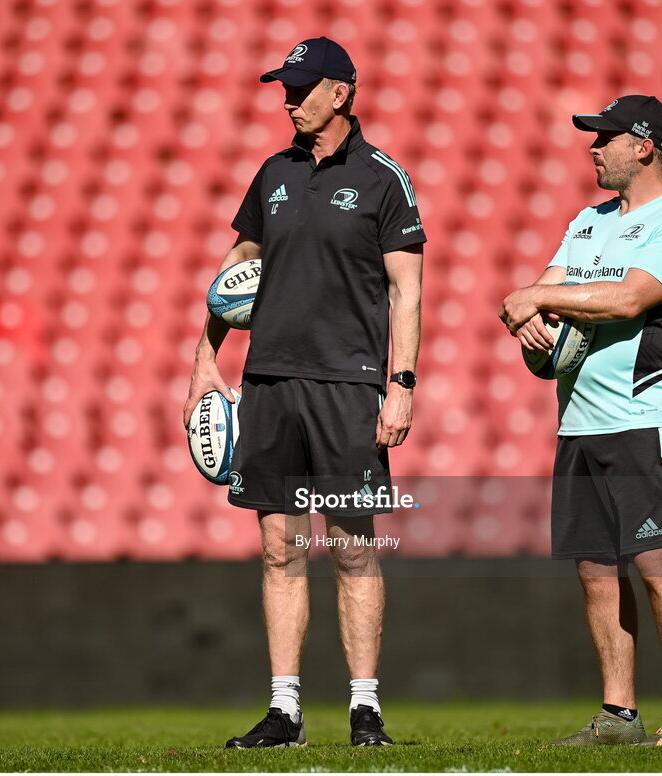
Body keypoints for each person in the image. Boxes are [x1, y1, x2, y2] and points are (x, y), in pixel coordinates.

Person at [182, 37, 425, 748]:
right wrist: (205, 359)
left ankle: (365, 708)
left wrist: (400, 385)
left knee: (352, 550)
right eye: (284, 85)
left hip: (348, 386)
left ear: (340, 92)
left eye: (301, 85)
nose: (288, 96)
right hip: (269, 383)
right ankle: (285, 712)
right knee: (280, 550)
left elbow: (407, 292)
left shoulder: (384, 179)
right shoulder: (273, 173)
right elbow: (234, 272)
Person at [499, 95, 662, 747]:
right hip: (578, 422)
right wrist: (529, 320)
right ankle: (619, 714)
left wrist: (539, 297)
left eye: (605, 138)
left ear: (644, 146)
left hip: (642, 416)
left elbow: (630, 298)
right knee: (594, 568)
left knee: (655, 557)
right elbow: (541, 294)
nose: (592, 147)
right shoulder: (586, 221)